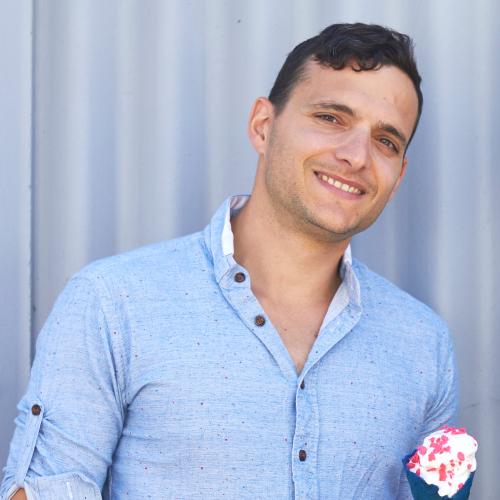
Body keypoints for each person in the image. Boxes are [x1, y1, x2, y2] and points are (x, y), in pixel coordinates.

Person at [1, 22, 458, 499]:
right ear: (263, 126)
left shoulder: (423, 345)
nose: (357, 156)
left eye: (386, 141)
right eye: (331, 117)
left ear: (398, 175)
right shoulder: (114, 305)